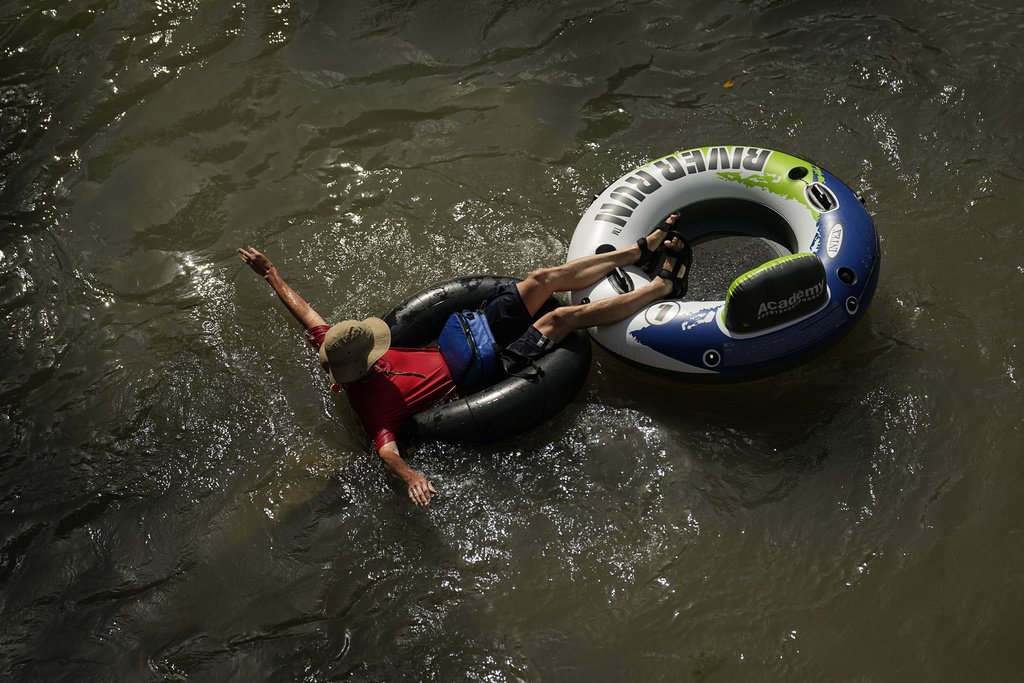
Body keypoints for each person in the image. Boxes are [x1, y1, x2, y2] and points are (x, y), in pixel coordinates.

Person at [238, 216, 689, 507]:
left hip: (470, 337)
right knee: (560, 318)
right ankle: (661, 289)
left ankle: (637, 252)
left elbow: (307, 315)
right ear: (362, 365)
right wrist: (411, 476)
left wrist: (271, 273)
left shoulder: (339, 347)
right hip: (489, 371)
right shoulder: (372, 405)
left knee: (539, 280)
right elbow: (385, 449)